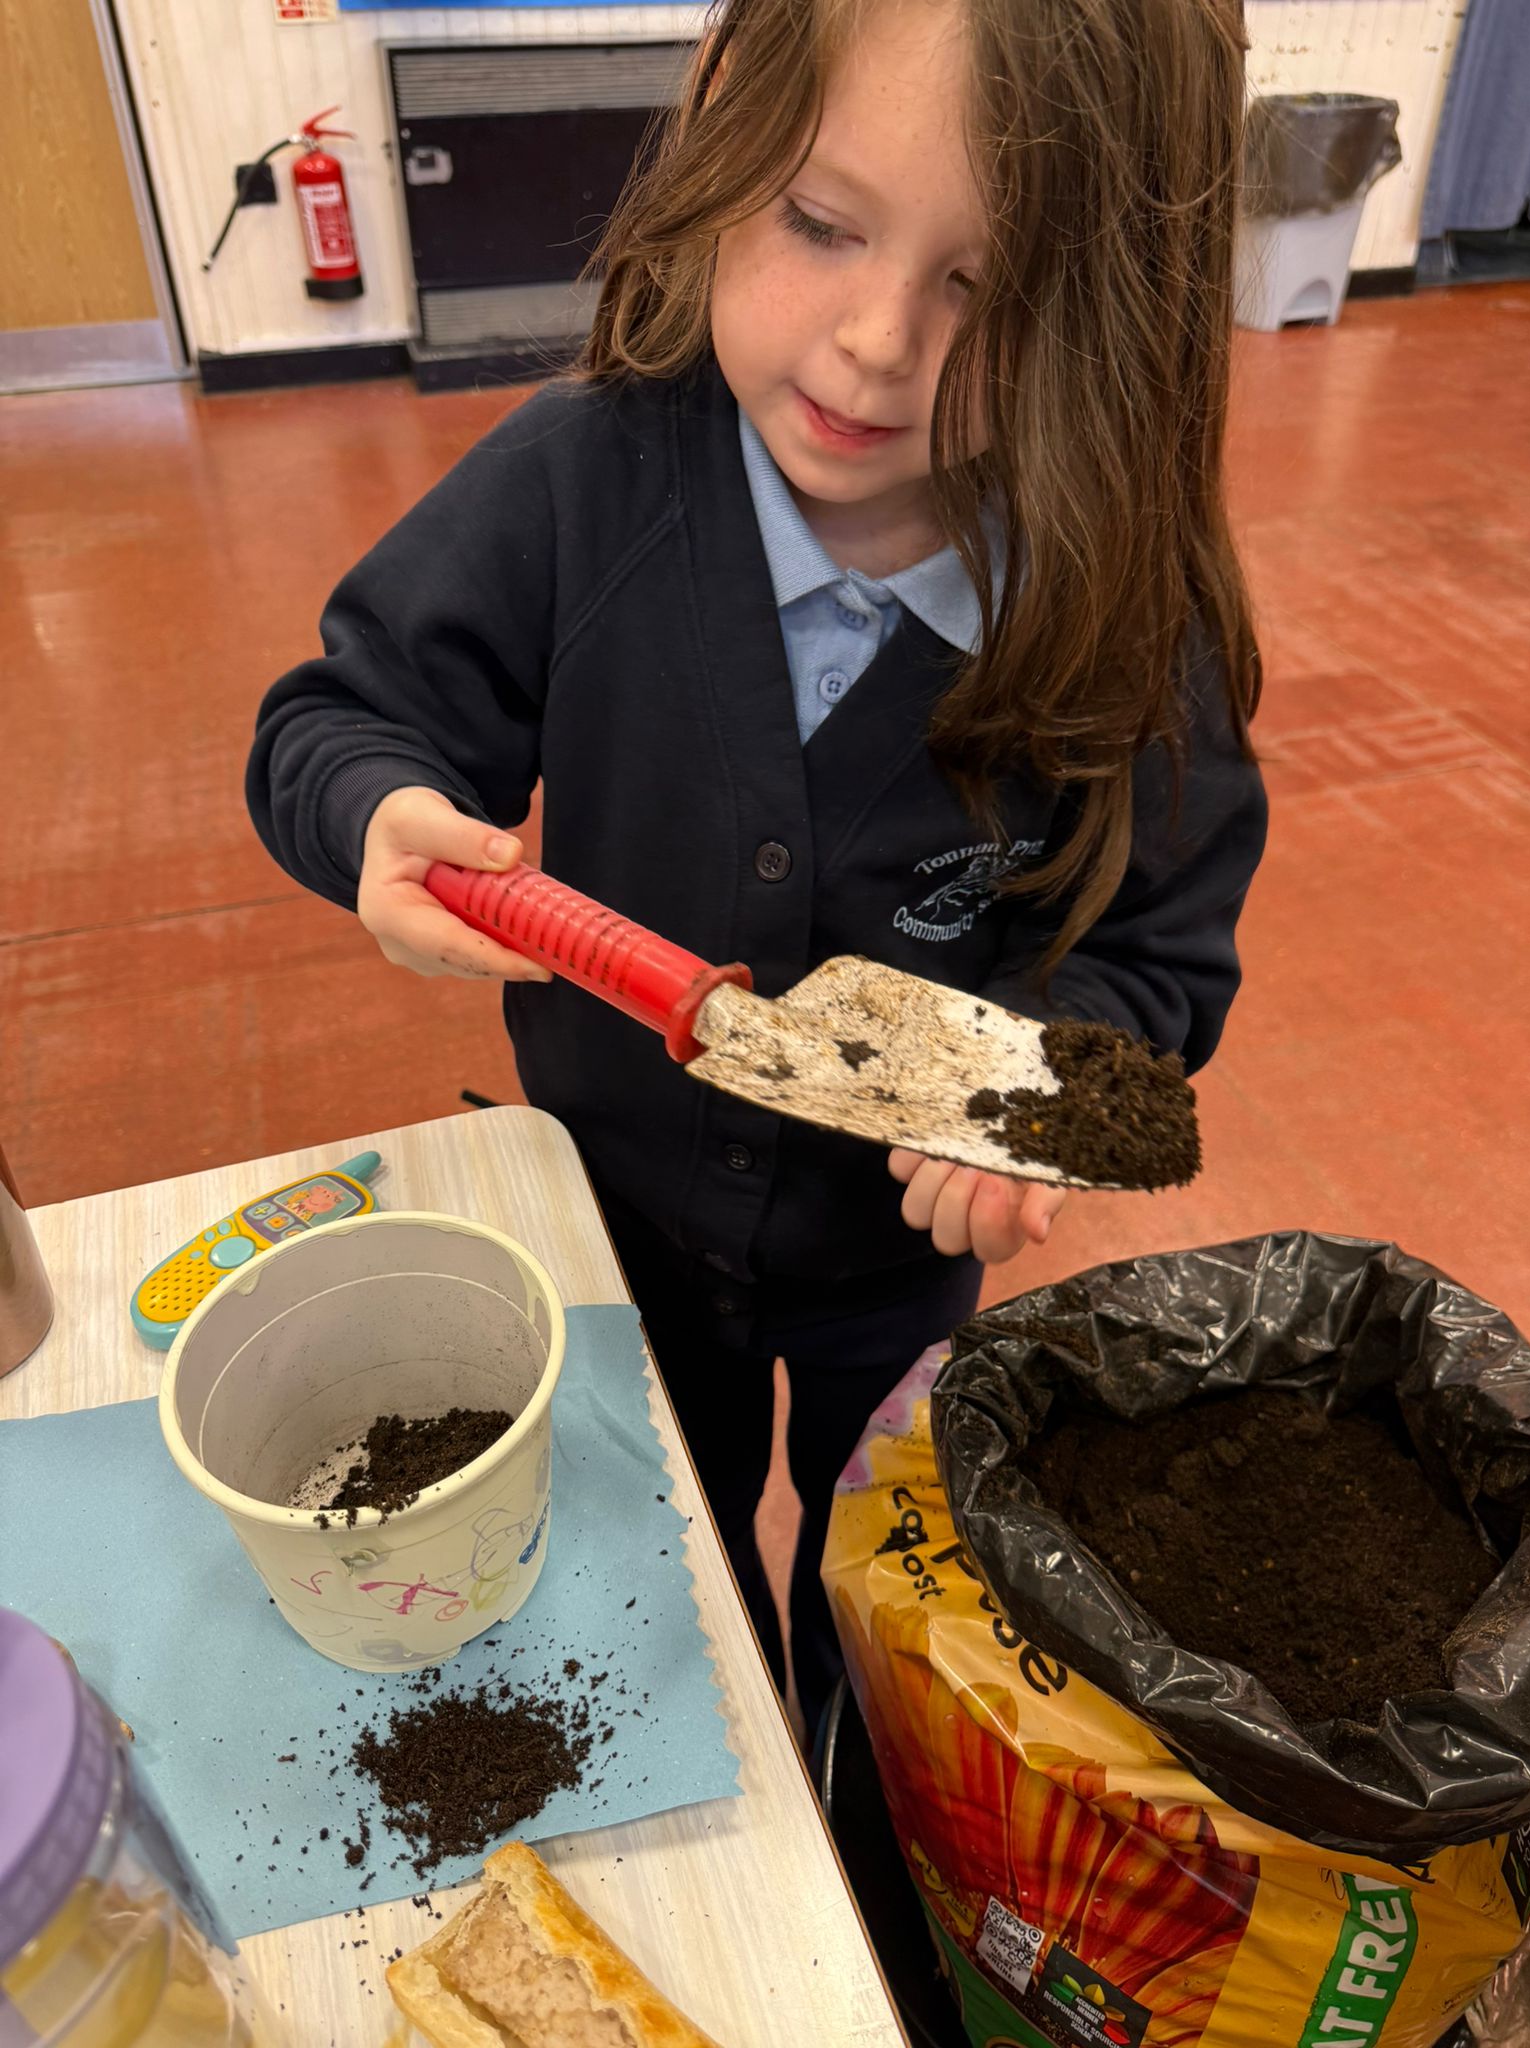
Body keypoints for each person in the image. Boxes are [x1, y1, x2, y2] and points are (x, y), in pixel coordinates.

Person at [248, 0, 1267, 1738]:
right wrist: (374, 810)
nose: (875, 344)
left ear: (1120, 309)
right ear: (723, 140)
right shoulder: (579, 481)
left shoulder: (1119, 611)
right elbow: (342, 719)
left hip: (900, 1273)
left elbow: (1157, 956)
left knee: (886, 1607)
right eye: (818, 221)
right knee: (673, 1582)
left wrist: (1035, 1085)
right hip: (614, 1223)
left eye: (988, 285)